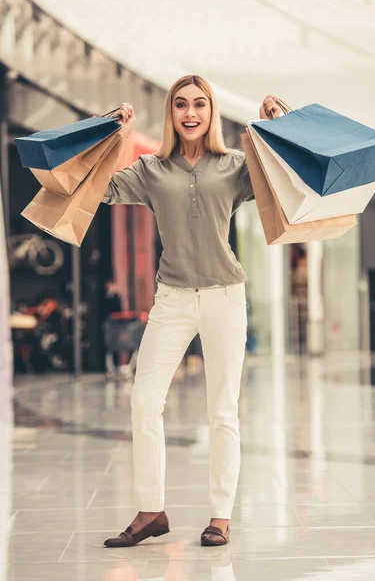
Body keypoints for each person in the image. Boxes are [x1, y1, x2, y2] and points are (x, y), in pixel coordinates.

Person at [102, 75, 285, 548]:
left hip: (225, 296)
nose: (190, 113)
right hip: (172, 299)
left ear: (211, 111)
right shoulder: (151, 169)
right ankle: (150, 510)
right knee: (145, 401)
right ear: (171, 113)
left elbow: (284, 178)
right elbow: (99, 189)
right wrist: (112, 134)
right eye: (181, 104)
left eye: (199, 105)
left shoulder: (234, 165)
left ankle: (221, 516)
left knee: (223, 411)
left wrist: (276, 128)